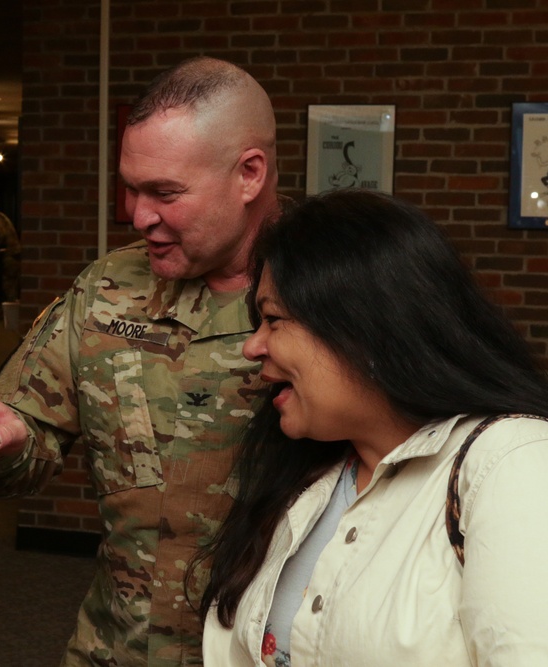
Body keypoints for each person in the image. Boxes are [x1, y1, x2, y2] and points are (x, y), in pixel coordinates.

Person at [0, 56, 279, 666]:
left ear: (248, 174)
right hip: (116, 647)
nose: (139, 216)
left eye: (166, 193)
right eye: (132, 189)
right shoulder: (110, 288)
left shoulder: (336, 289)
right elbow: (28, 428)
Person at [198, 189, 548, 666]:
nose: (253, 347)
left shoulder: (511, 463)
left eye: (273, 319)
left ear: (363, 325)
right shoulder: (311, 479)